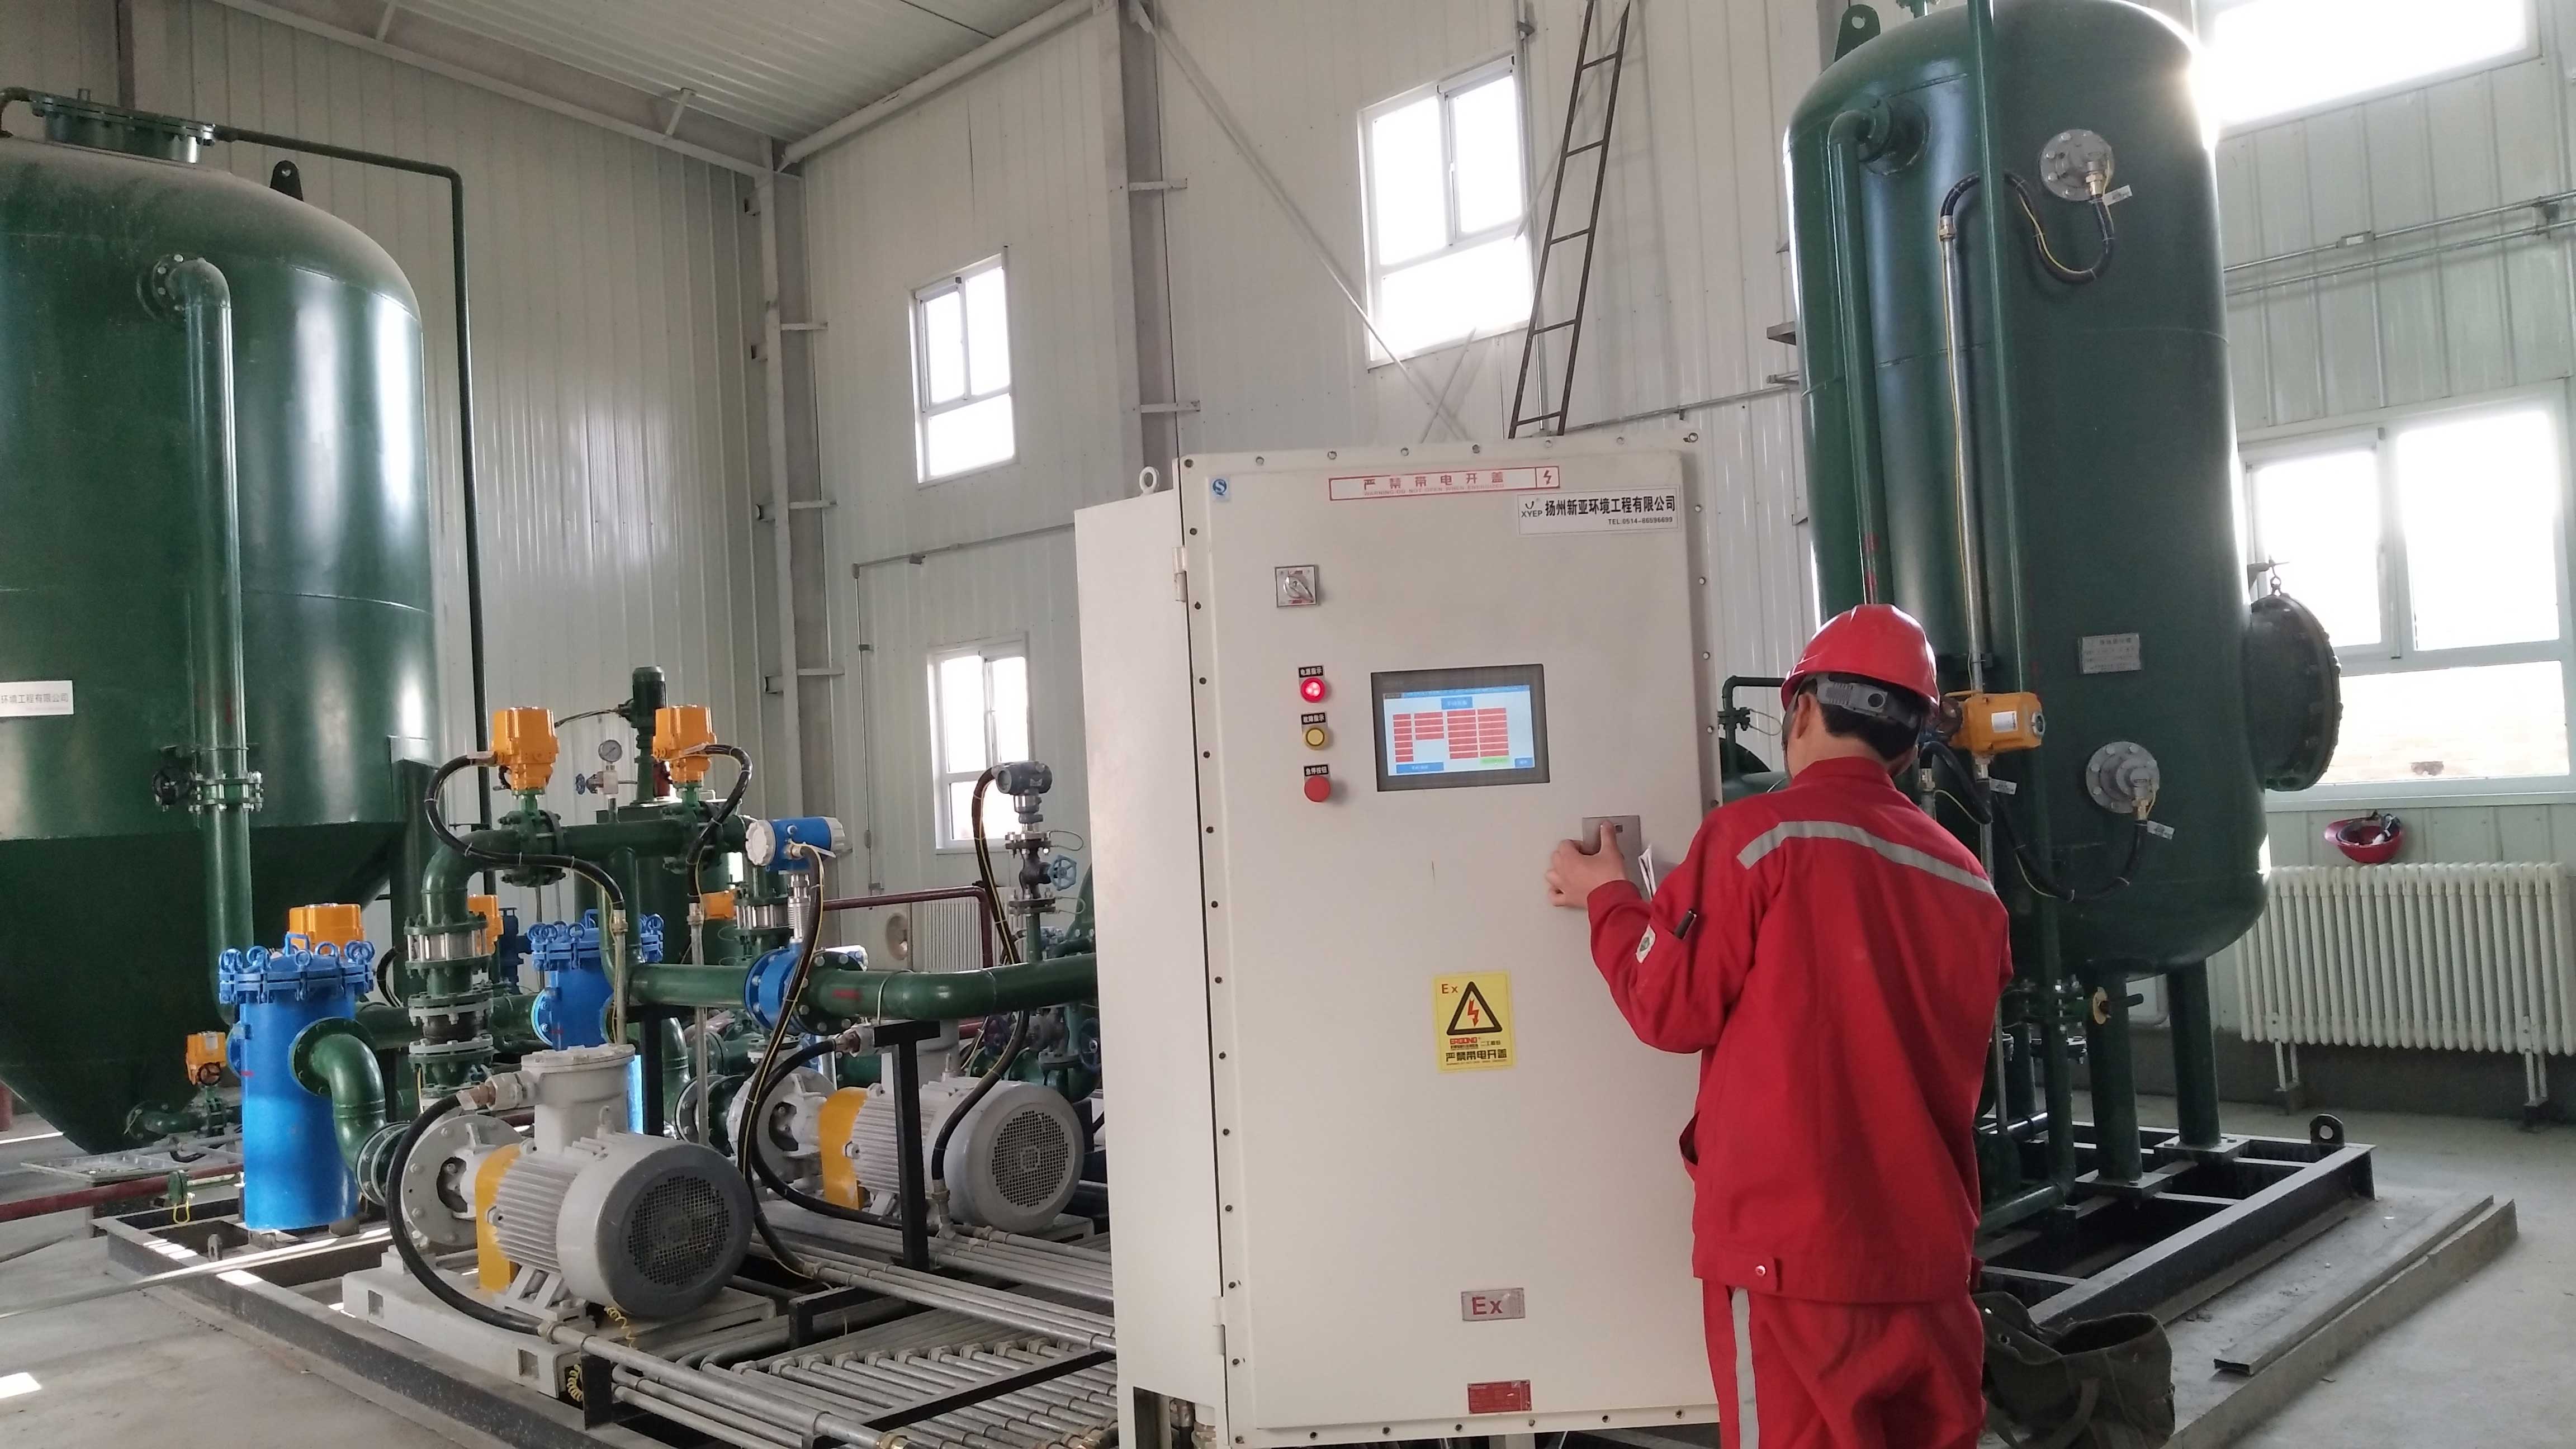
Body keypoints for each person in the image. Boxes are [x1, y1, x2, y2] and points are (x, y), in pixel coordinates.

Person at [1544, 604, 2012, 1449]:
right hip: (1930, 1267)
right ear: (1910, 748)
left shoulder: (1754, 840)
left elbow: (1665, 1005)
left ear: (1799, 710)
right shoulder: (1970, 882)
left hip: (1792, 1270)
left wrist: (1608, 897)